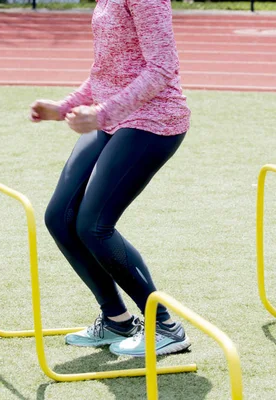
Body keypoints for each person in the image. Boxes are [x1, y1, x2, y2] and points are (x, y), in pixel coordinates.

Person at [29, 0, 191, 357]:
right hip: (112, 119)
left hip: (154, 119)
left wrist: (103, 113)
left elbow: (162, 67)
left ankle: (166, 327)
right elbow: (108, 71)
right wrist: (65, 107)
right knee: (60, 218)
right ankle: (117, 320)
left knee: (94, 226)